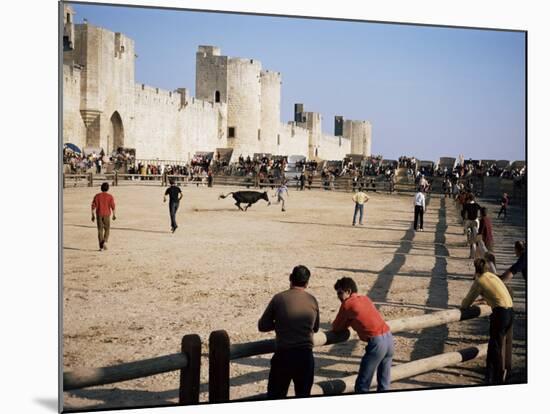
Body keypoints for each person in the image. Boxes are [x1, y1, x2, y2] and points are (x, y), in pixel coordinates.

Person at [258, 265, 320, 398]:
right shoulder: (312, 300)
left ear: (290, 278)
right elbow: (315, 328)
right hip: (305, 356)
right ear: (307, 283)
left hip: (284, 355)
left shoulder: (279, 298)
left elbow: (262, 326)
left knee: (276, 396)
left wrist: (281, 323)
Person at [331, 277, 394, 392]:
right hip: (389, 338)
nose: (338, 297)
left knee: (362, 384)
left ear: (348, 291)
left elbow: (337, 327)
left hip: (377, 343)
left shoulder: (347, 304)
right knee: (384, 383)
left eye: (340, 293)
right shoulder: (365, 298)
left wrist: (348, 322)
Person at [461, 258, 514, 385]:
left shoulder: (480, 281)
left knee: (495, 347)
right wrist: (486, 300)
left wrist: (469, 304)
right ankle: (489, 376)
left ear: (476, 269)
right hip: (510, 311)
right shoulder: (492, 276)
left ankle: (497, 378)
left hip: (501, 314)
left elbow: (466, 303)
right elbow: (496, 294)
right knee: (493, 346)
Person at [91, 182, 116, 251]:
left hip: (99, 214)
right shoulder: (110, 196)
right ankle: (104, 241)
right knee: (107, 229)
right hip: (107, 215)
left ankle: (101, 247)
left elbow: (93, 206)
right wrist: (114, 214)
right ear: (108, 188)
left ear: (101, 188)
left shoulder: (97, 196)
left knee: (100, 230)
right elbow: (113, 206)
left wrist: (92, 215)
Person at [461, 193, 482, 258]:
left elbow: (463, 214)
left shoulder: (466, 205)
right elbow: (481, 210)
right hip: (476, 221)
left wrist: (464, 219)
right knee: (476, 237)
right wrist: (479, 217)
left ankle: (471, 252)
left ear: (469, 199)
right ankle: (477, 252)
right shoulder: (477, 205)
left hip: (469, 221)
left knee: (469, 235)